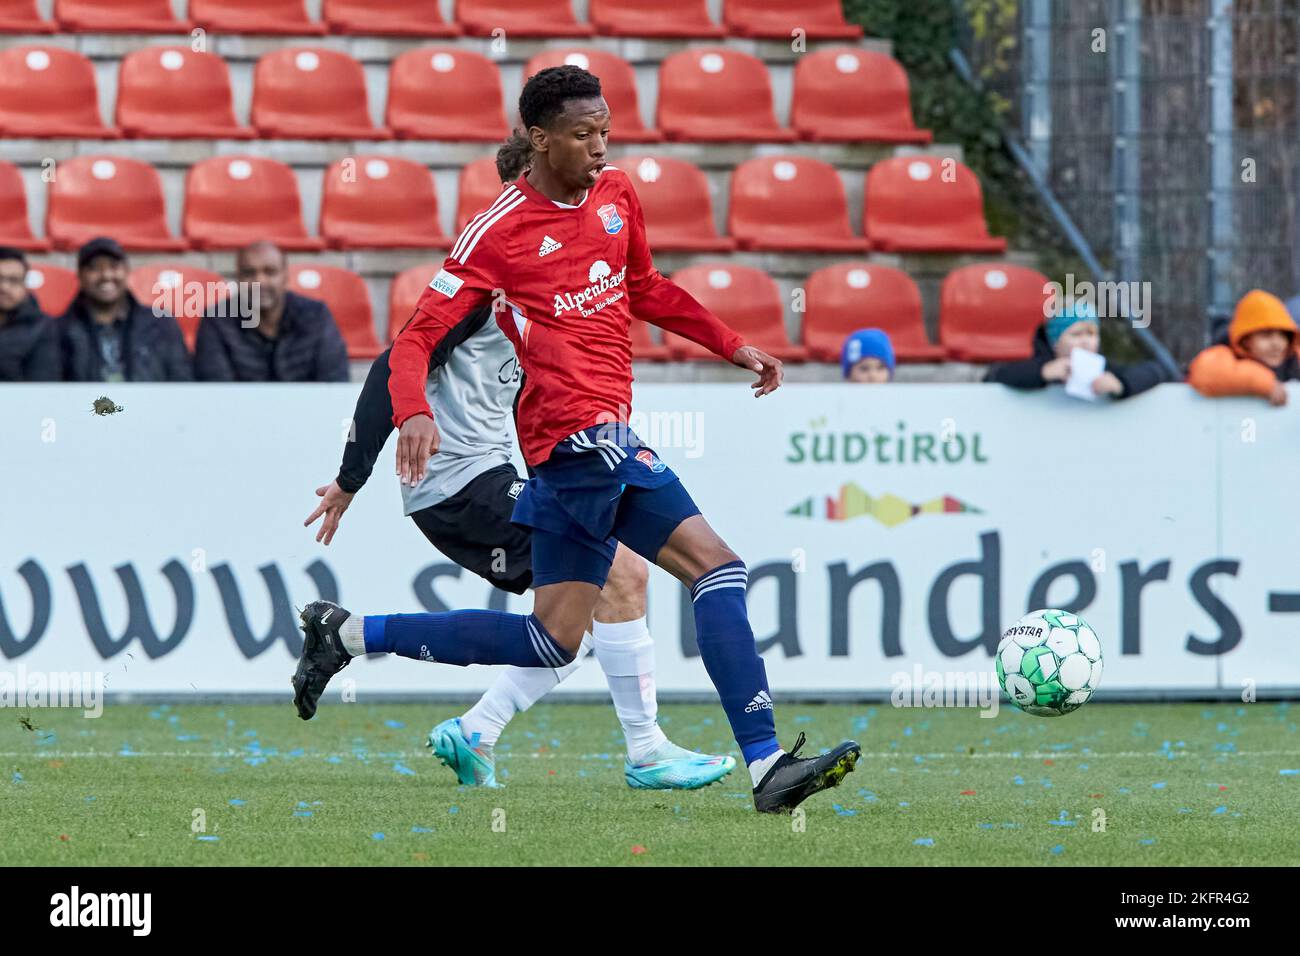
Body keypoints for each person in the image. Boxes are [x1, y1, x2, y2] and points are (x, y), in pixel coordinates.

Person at [291, 65, 860, 814]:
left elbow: (647, 287)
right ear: (539, 137)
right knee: (717, 569)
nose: (599, 146)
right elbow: (410, 343)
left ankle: (351, 635)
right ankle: (759, 764)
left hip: (564, 459)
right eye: (583, 133)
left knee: (551, 640)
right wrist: (411, 413)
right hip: (577, 439)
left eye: (606, 130)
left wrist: (731, 344)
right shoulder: (496, 234)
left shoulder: (619, 194)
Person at [303, 133, 735, 791]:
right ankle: (646, 751)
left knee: (576, 619)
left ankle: (456, 714)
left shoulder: (551, 289)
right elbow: (396, 361)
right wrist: (351, 477)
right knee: (617, 578)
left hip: (500, 472)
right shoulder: (481, 285)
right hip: (457, 481)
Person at [195, 241, 349, 382]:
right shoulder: (217, 320)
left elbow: (334, 383)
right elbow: (217, 392)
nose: (260, 281)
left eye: (270, 272)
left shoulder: (316, 316)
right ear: (238, 278)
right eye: (249, 273)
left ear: (285, 277)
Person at [59, 237, 191, 382]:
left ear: (127, 271)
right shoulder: (60, 330)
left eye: (114, 267)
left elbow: (183, 382)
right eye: (95, 268)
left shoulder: (161, 324)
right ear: (80, 276)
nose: (106, 276)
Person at [983, 301, 1169, 399]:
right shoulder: (1040, 365)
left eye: (1091, 334)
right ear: (1055, 341)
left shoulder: (1101, 368)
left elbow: (1156, 371)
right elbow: (994, 376)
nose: (1086, 342)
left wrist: (1122, 385)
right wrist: (1042, 373)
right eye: (1076, 335)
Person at [1187, 289, 1297, 406]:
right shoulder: (1224, 355)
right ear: (1245, 340)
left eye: (1283, 335)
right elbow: (1205, 373)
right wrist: (1267, 384)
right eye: (1266, 335)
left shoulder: (1295, 358)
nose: (1277, 343)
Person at [0, 246, 59, 382]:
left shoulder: (42, 328)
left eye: (13, 280)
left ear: (25, 287)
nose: (4, 287)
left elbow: (42, 385)